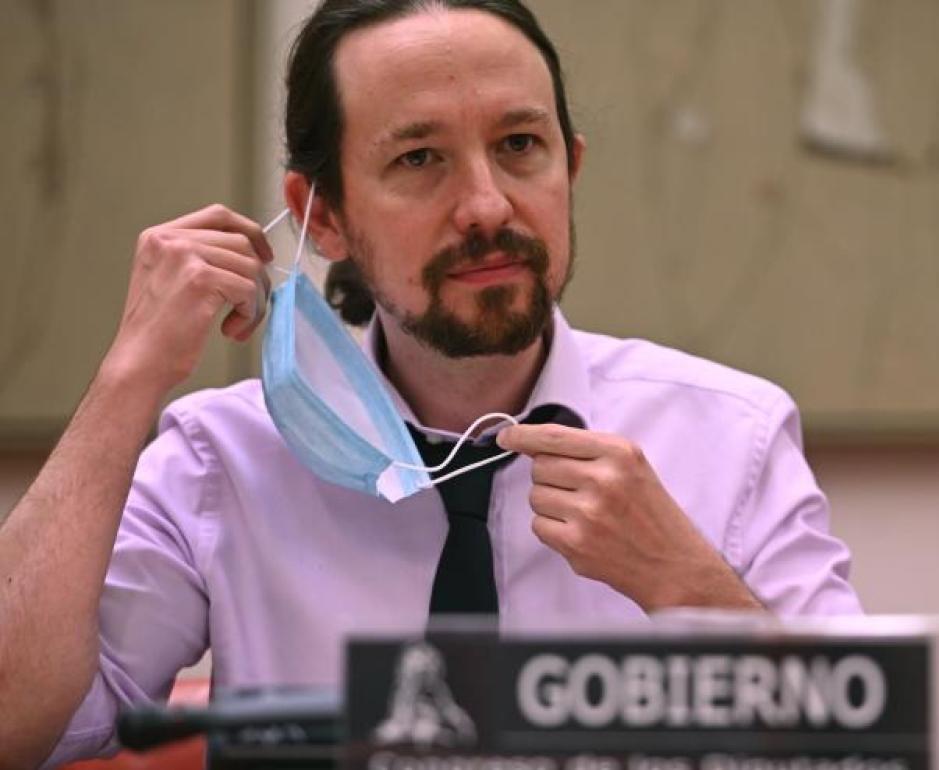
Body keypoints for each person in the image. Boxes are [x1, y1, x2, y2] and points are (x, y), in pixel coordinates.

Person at [0, 1, 861, 766]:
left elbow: (866, 757)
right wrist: (127, 378)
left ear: (571, 168)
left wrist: (692, 593)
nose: (487, 206)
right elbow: (16, 728)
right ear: (322, 215)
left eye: (519, 146)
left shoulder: (732, 437)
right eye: (420, 158)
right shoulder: (222, 458)